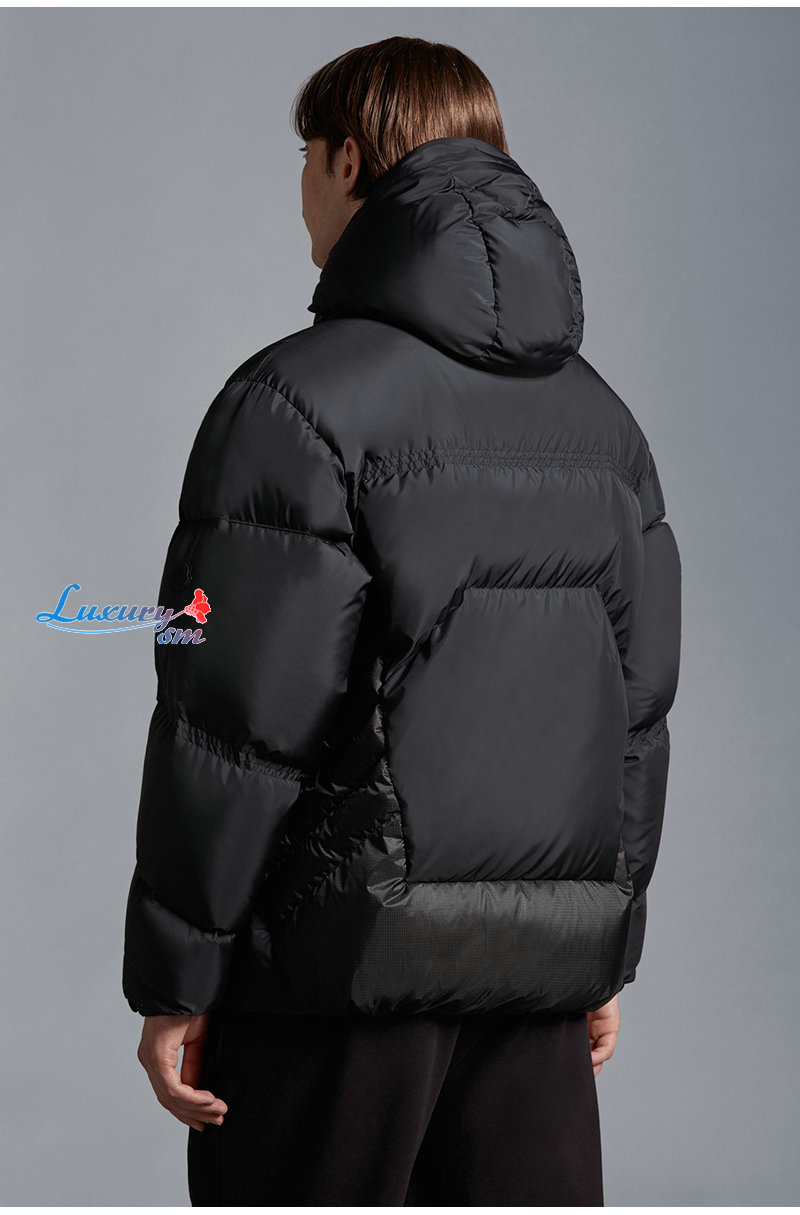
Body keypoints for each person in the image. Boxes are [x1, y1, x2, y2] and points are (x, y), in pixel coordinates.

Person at [123, 35, 682, 1206]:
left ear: (345, 160)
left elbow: (232, 721)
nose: (301, 190)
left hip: (333, 989)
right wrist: (601, 948)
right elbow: (633, 719)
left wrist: (178, 976)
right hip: (533, 993)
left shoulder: (295, 401)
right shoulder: (606, 426)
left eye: (305, 158)